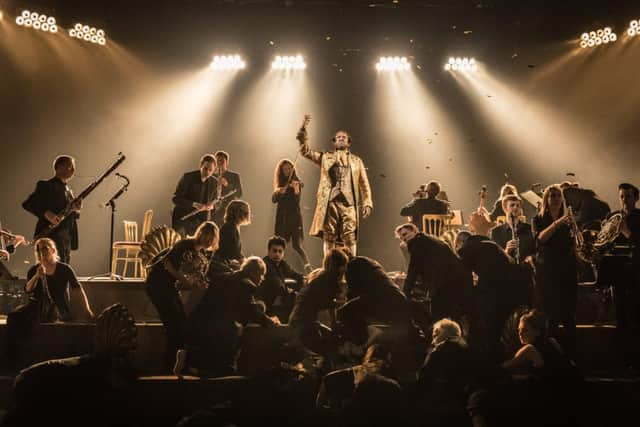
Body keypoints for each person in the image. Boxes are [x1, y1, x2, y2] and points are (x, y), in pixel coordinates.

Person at [178, 256, 277, 377]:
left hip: (202, 324)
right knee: (226, 367)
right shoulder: (246, 284)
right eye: (262, 274)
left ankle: (189, 362)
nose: (263, 278)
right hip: (221, 332)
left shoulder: (224, 276)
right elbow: (252, 310)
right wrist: (269, 321)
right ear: (254, 272)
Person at [5, 237, 93, 365]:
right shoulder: (34, 269)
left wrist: (87, 310)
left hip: (57, 308)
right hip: (36, 306)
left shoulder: (64, 269)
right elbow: (28, 289)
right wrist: (37, 276)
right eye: (39, 250)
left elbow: (78, 289)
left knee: (33, 319)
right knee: (14, 317)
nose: (42, 252)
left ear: (53, 250)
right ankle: (13, 357)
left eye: (45, 248)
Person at [145, 221, 216, 371]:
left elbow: (188, 276)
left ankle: (178, 364)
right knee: (173, 326)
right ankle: (169, 365)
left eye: (212, 240)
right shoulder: (184, 245)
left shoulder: (202, 254)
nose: (209, 242)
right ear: (200, 233)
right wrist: (189, 283)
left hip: (169, 286)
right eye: (207, 237)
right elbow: (170, 268)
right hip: (158, 284)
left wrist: (198, 283)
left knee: (181, 325)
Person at [297, 119, 373, 256]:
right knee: (329, 234)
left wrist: (367, 202)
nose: (341, 139)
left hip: (349, 203)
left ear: (349, 142)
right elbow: (306, 152)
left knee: (350, 235)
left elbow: (364, 184)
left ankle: (351, 266)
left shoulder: (357, 161)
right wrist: (303, 132)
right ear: (334, 142)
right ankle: (328, 267)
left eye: (344, 137)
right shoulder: (325, 157)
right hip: (330, 201)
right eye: (338, 137)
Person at [395, 223, 473, 322]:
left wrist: (405, 293)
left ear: (414, 231)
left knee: (437, 317)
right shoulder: (431, 240)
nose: (403, 238)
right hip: (457, 281)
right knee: (453, 317)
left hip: (444, 284)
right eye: (401, 237)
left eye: (405, 234)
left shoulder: (417, 244)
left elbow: (413, 270)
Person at [532, 184, 578, 354]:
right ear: (546, 199)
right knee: (549, 316)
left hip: (567, 271)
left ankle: (571, 354)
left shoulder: (569, 220)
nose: (556, 199)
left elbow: (575, 243)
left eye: (558, 195)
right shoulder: (538, 219)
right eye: (552, 195)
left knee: (568, 316)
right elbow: (541, 238)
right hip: (548, 272)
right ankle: (549, 355)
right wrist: (558, 223)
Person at [602, 183, 640, 370]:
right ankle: (623, 360)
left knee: (635, 317)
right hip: (616, 272)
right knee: (620, 317)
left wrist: (626, 230)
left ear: (636, 198)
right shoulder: (612, 217)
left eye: (629, 197)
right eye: (622, 197)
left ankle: (635, 360)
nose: (625, 200)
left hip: (635, 272)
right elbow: (603, 242)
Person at [288, 248, 349, 358]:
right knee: (328, 350)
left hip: (297, 321)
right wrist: (335, 328)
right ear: (338, 266)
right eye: (344, 265)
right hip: (305, 324)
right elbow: (329, 306)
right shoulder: (329, 280)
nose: (345, 268)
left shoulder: (319, 276)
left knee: (328, 344)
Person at [22, 155, 82, 263]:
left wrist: (76, 210)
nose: (73, 170)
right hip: (51, 235)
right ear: (59, 167)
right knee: (51, 268)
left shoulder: (69, 190)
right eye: (70, 167)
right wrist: (46, 213)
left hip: (66, 235)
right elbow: (28, 204)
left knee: (64, 268)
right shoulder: (45, 185)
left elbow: (72, 215)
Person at [272, 158, 312, 271]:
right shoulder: (280, 184)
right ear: (281, 171)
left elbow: (296, 202)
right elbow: (274, 200)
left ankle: (308, 267)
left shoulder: (296, 182)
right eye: (285, 169)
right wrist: (279, 192)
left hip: (294, 218)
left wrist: (296, 190)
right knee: (279, 244)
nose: (287, 171)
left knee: (297, 245)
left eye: (289, 168)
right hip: (282, 218)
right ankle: (276, 267)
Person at [256, 236, 306, 323]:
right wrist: (289, 291)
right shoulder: (264, 264)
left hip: (279, 297)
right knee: (279, 284)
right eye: (274, 251)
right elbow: (276, 284)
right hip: (267, 301)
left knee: (298, 295)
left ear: (283, 253)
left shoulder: (283, 264)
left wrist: (306, 279)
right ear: (268, 251)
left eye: (280, 251)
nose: (277, 254)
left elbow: (294, 274)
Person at [171, 154, 218, 237]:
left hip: (201, 222)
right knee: (180, 245)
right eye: (205, 168)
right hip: (183, 219)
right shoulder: (188, 177)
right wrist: (194, 204)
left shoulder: (214, 182)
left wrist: (212, 206)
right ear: (200, 165)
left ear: (214, 170)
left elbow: (216, 201)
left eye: (210, 170)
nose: (207, 172)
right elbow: (176, 199)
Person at [490, 194, 535, 265]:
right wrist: (506, 251)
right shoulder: (496, 232)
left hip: (525, 271)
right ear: (505, 208)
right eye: (512, 205)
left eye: (518, 205)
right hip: (506, 271)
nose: (515, 208)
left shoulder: (529, 229)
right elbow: (494, 258)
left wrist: (531, 257)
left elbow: (535, 251)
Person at [214, 200, 251, 268]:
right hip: (222, 264)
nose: (248, 215)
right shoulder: (230, 228)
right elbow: (234, 253)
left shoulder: (233, 226)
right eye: (246, 213)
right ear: (239, 214)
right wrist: (247, 264)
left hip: (226, 262)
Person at [211, 150, 243, 227]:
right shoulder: (211, 176)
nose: (219, 163)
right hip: (213, 211)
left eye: (222, 161)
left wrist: (227, 185)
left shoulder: (234, 176)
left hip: (228, 211)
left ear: (227, 162)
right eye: (217, 161)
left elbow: (239, 194)